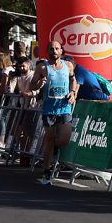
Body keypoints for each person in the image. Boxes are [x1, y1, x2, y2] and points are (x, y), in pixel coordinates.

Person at [30, 40, 77, 185]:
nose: (54, 51)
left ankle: (54, 149)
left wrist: (73, 92)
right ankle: (47, 171)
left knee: (65, 139)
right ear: (47, 51)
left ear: (61, 51)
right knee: (49, 139)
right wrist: (40, 83)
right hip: (49, 109)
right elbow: (33, 84)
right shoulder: (42, 67)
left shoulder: (68, 65)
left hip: (64, 107)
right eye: (51, 48)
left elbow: (73, 80)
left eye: (57, 48)